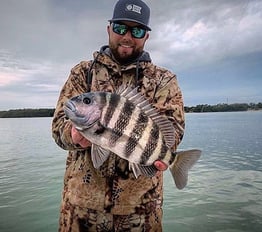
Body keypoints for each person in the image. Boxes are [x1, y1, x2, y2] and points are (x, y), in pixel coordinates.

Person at [52, 0, 185, 231]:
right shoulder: (82, 73)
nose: (127, 36)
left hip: (141, 213)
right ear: (109, 29)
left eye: (137, 30)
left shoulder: (164, 80)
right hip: (80, 211)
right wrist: (72, 135)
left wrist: (158, 153)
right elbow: (58, 127)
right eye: (120, 28)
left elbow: (173, 130)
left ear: (146, 36)